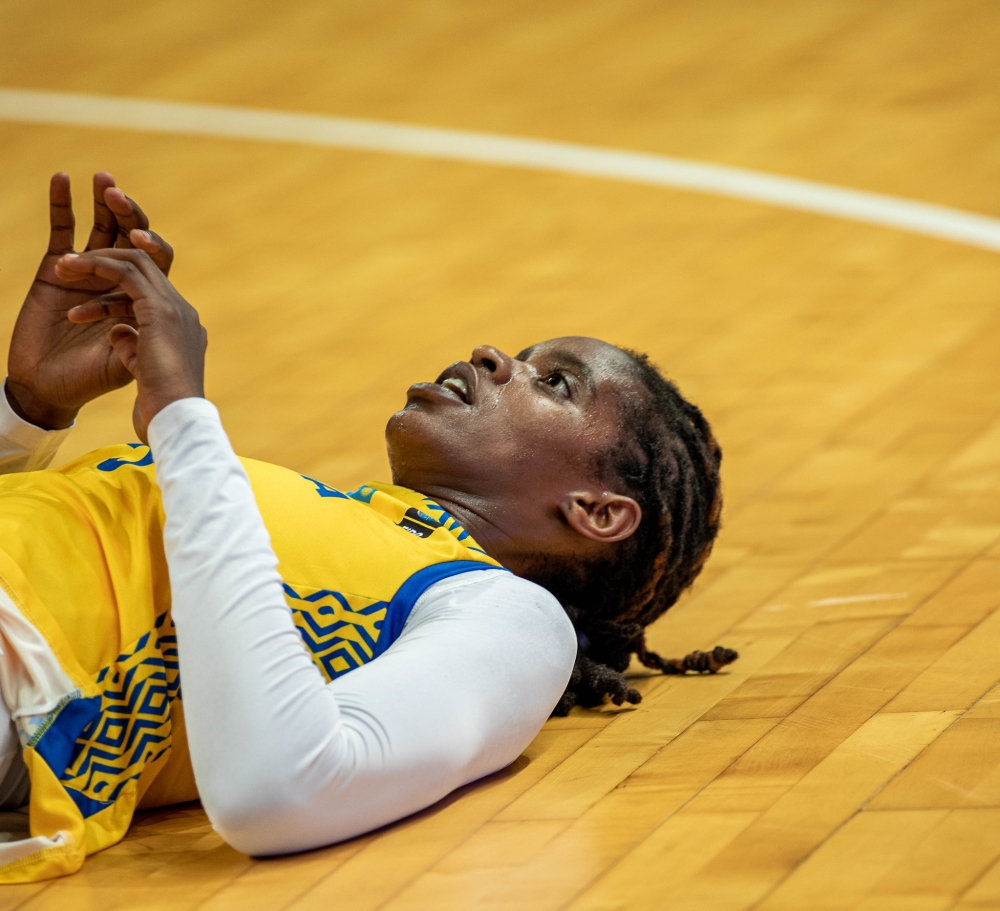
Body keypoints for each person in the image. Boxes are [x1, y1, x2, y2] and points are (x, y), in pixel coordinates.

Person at [0, 173, 733, 881]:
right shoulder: (347, 519)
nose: (492, 355)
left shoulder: (510, 617)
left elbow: (280, 790)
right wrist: (27, 412)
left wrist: (182, 418)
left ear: (596, 511)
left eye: (555, 383)